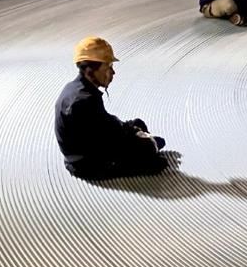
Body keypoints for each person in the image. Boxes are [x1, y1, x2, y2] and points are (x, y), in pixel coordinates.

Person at [54, 37, 170, 180]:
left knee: (137, 124)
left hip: (86, 146)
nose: (112, 73)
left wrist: (132, 130)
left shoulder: (75, 88)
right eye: (108, 67)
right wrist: (141, 141)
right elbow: (110, 139)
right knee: (155, 157)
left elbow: (104, 125)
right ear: (90, 71)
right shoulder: (85, 101)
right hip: (86, 164)